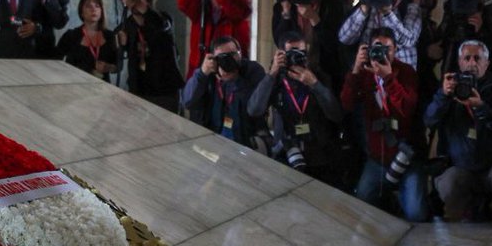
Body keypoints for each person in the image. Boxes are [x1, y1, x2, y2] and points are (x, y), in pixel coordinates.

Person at [423, 39, 492, 239]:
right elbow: (429, 119)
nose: (472, 63)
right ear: (459, 62)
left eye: (477, 58)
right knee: (448, 183)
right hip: (462, 168)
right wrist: (443, 95)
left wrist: (481, 107)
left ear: (487, 63)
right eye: (467, 58)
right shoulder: (450, 88)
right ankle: (471, 214)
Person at [341, 27, 427, 221]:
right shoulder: (363, 72)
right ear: (368, 49)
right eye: (377, 48)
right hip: (377, 158)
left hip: (406, 156)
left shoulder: (406, 72)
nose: (382, 53)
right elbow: (346, 104)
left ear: (395, 50)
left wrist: (388, 77)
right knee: (360, 207)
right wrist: (355, 69)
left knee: (416, 214)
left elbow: (407, 108)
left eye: (387, 49)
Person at [248, 28, 344, 183]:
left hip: (319, 154)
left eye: (301, 53)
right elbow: (254, 110)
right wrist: (272, 74)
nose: (297, 57)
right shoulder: (276, 81)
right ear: (281, 55)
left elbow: (336, 115)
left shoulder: (319, 77)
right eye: (292, 53)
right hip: (287, 152)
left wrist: (315, 84)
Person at [180, 34, 269, 151]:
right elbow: (187, 102)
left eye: (232, 55)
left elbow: (255, 108)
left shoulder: (251, 70)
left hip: (245, 141)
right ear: (213, 59)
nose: (228, 60)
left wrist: (236, 79)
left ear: (240, 54)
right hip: (212, 141)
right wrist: (202, 74)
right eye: (222, 57)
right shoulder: (208, 75)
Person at [114, 0, 184, 111]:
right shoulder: (126, 26)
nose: (135, 0)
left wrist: (142, 6)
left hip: (165, 89)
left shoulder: (163, 18)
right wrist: (121, 45)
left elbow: (162, 27)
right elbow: (117, 57)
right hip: (139, 89)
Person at [55, 0, 118, 81]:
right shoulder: (71, 35)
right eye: (88, 6)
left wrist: (108, 67)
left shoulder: (110, 36)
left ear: (101, 11)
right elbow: (55, 61)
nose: (93, 9)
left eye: (97, 6)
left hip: (103, 85)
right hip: (74, 83)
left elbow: (117, 66)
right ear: (81, 13)